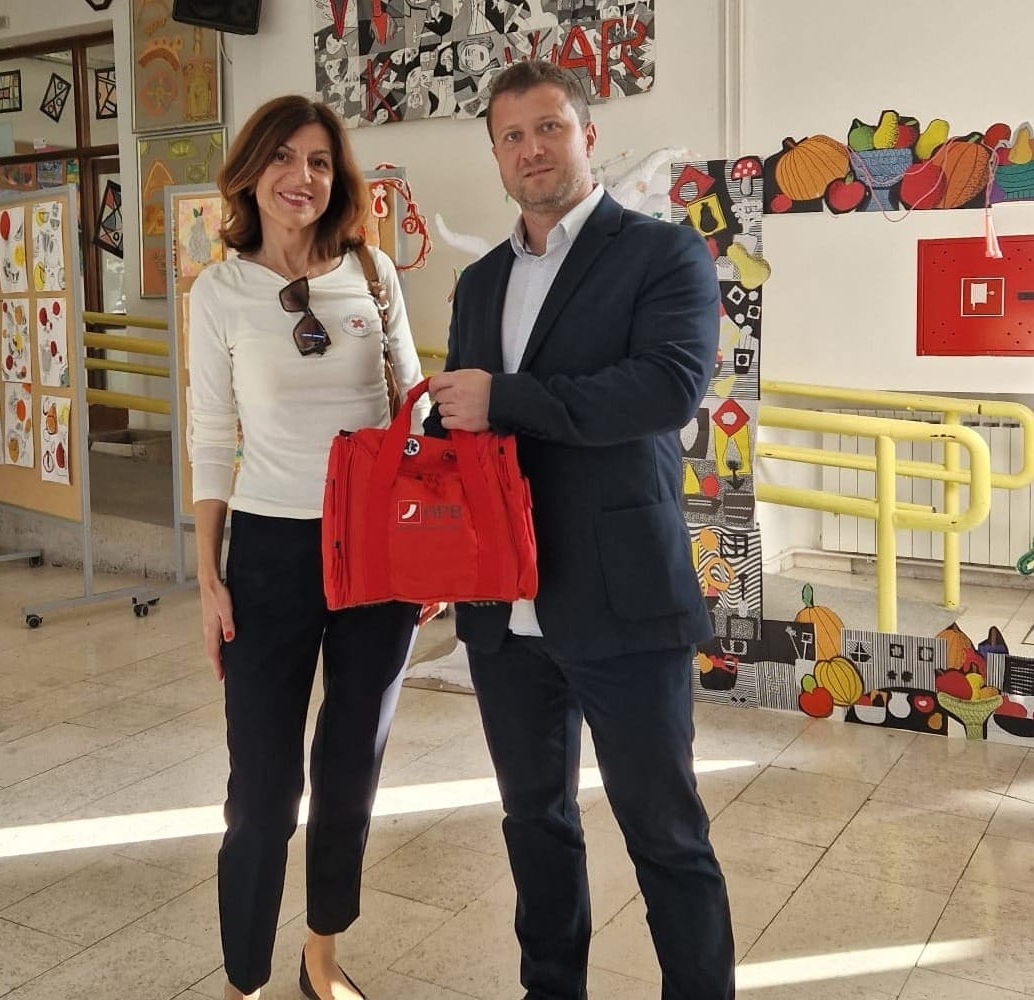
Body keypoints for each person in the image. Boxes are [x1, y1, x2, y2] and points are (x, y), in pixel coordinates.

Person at [425, 60, 735, 999]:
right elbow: (470, 430)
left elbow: (665, 389)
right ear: (495, 154)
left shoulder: (663, 254)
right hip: (502, 606)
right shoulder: (480, 282)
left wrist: (505, 399)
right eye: (512, 136)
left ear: (588, 135)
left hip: (622, 596)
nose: (533, 150)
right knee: (535, 823)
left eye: (549, 127)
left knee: (664, 833)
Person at [188, 95, 426, 1000]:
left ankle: (321, 953)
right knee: (261, 789)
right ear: (251, 172)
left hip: (375, 552)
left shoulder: (371, 272)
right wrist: (208, 578)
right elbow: (211, 438)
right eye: (283, 158)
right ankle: (244, 978)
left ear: (339, 177)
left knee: (350, 768)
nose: (303, 177)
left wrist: (422, 550)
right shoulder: (219, 293)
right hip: (269, 554)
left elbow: (411, 416)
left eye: (320, 162)